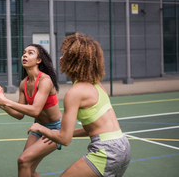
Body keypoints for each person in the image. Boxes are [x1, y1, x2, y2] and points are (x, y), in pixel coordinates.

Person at [28, 33, 131, 177]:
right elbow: (92, 127)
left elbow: (65, 140)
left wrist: (41, 128)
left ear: (74, 60)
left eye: (65, 54)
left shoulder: (74, 93)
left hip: (106, 150)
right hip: (123, 145)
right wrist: (54, 133)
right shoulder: (97, 85)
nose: (61, 57)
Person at [0, 43, 62, 177]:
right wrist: (0, 104)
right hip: (38, 127)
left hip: (55, 129)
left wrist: (6, 101)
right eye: (24, 52)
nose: (25, 55)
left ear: (39, 60)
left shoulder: (45, 80)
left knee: (23, 160)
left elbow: (35, 110)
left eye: (30, 53)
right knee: (26, 167)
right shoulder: (23, 83)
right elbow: (19, 114)